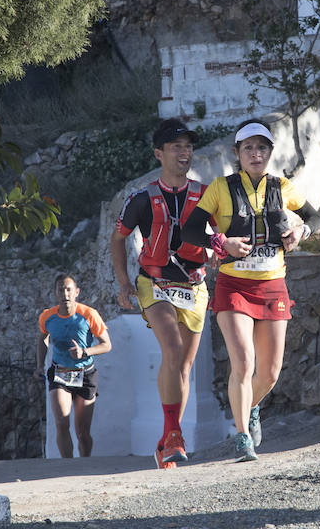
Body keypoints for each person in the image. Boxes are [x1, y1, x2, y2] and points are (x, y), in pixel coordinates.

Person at [182, 118, 320, 462]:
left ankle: (252, 407)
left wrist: (300, 232)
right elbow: (189, 230)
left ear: (270, 152)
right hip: (234, 286)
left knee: (270, 372)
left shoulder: (283, 186)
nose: (255, 154)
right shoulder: (220, 188)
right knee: (243, 363)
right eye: (248, 148)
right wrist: (220, 241)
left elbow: (315, 218)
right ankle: (243, 437)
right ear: (237, 153)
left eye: (262, 147)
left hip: (273, 285)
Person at [110, 118, 215, 470]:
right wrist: (124, 282)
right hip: (154, 283)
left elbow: (222, 232)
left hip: (194, 285)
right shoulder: (141, 199)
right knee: (171, 349)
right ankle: (174, 435)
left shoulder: (206, 195)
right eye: (176, 147)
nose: (184, 153)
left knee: (182, 366)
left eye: (188, 146)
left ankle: (166, 440)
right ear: (159, 154)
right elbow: (118, 239)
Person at [35, 274, 112, 458]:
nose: (65, 293)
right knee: (61, 422)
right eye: (61, 289)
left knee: (82, 432)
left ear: (76, 292)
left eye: (68, 289)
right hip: (60, 372)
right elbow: (43, 338)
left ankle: (84, 464)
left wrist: (84, 352)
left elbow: (107, 345)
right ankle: (66, 466)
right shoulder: (48, 316)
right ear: (55, 293)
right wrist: (39, 365)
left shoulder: (88, 314)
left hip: (85, 374)